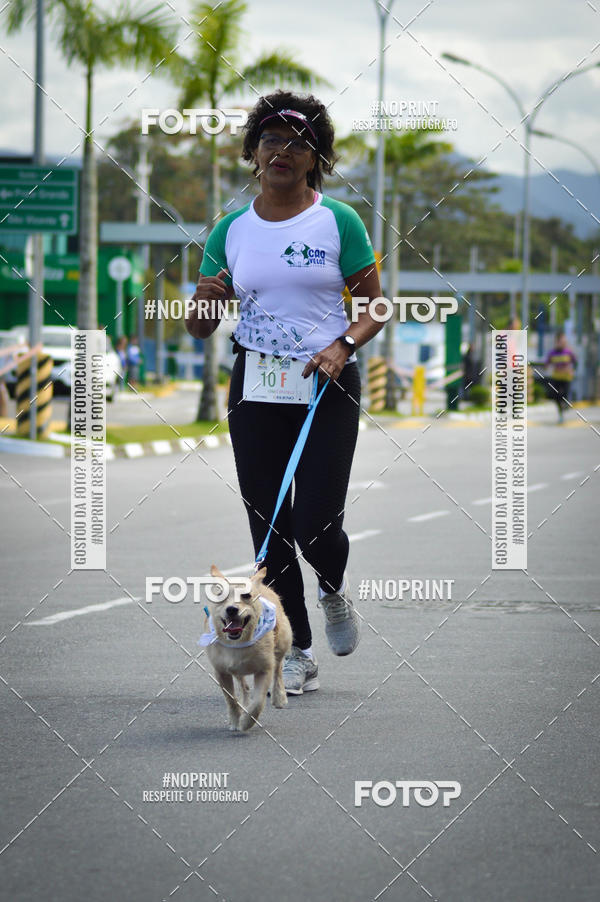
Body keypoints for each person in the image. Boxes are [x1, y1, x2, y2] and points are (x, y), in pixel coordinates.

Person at [185, 91, 384, 695]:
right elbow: (198, 324)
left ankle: (331, 590)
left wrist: (342, 346)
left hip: (325, 381)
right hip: (255, 384)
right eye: (271, 140)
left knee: (319, 522)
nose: (283, 151)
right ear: (254, 151)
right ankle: (297, 649)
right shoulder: (230, 229)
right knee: (269, 527)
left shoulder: (338, 221)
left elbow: (376, 306)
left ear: (314, 157)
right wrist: (205, 305)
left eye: (298, 143)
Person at [544, 331, 577, 423]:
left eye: (564, 341)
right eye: (561, 341)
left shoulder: (568, 352)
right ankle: (561, 414)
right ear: (557, 341)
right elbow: (547, 364)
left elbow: (575, 362)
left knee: (564, 395)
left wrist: (572, 370)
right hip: (556, 377)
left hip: (566, 378)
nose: (563, 342)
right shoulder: (552, 352)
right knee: (556, 396)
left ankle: (565, 406)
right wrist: (547, 366)